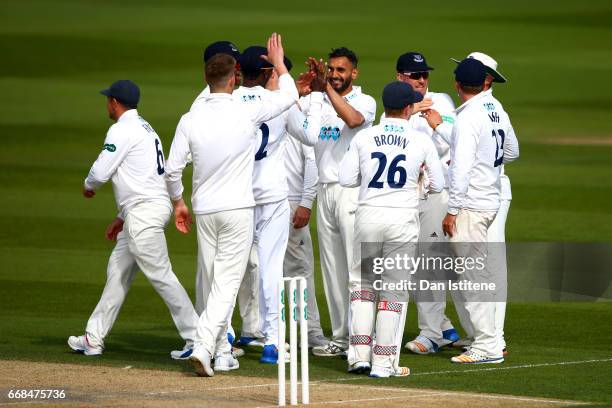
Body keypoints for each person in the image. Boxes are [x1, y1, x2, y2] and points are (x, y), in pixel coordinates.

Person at [164, 33, 298, 377]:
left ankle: (223, 351)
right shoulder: (245, 108)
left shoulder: (190, 116)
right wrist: (279, 64)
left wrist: (178, 203)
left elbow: (173, 168)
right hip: (238, 208)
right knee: (225, 283)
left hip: (204, 210)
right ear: (234, 78)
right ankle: (208, 345)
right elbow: (290, 95)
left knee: (210, 280)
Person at [68, 80, 198, 358]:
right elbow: (144, 178)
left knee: (162, 275)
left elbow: (101, 172)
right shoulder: (146, 129)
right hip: (143, 211)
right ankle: (94, 338)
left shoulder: (121, 130)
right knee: (118, 272)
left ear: (114, 102)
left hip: (144, 213)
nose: (107, 104)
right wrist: (121, 217)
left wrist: (88, 186)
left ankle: (198, 338)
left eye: (108, 100)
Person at [339, 81, 444, 377]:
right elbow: (439, 184)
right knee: (393, 291)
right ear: (409, 108)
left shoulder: (365, 136)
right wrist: (420, 180)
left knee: (362, 287)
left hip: (368, 216)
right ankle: (383, 363)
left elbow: (346, 179)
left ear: (386, 106)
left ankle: (359, 356)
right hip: (402, 219)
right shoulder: (420, 140)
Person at [229, 46, 325, 363]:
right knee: (271, 268)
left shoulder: (225, 103)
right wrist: (313, 98)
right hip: (272, 196)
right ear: (268, 72)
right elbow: (311, 135)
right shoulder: (281, 103)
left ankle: (221, 340)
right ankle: (271, 343)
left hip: (236, 196)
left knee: (229, 270)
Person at [298, 47, 377, 357]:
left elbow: (354, 120)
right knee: (332, 271)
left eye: (340, 70)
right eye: (330, 69)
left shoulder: (365, 100)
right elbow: (291, 113)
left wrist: (326, 88)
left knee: (356, 269)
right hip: (325, 191)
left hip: (352, 192)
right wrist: (304, 90)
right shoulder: (320, 98)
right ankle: (342, 337)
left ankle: (364, 338)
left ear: (354, 73)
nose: (334, 74)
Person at [442, 59, 519, 364]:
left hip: (471, 205)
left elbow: (459, 169)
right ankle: (488, 341)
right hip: (490, 201)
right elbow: (512, 151)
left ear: (458, 85)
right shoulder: (496, 108)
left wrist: (452, 210)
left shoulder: (467, 117)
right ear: (484, 83)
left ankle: (486, 346)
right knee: (479, 274)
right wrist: (489, 165)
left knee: (471, 277)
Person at [391, 52, 462, 355]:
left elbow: (450, 141)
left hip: (434, 194)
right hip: (405, 196)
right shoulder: (396, 104)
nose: (421, 80)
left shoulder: (441, 102)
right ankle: (442, 326)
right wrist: (408, 114)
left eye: (424, 75)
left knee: (429, 263)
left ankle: (431, 333)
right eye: (414, 75)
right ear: (400, 77)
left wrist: (428, 120)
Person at [283, 130, 328, 348]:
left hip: (290, 199)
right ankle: (261, 331)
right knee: (258, 268)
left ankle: (310, 330)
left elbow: (311, 161)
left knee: (300, 269)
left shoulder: (298, 114)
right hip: (261, 201)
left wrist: (306, 201)